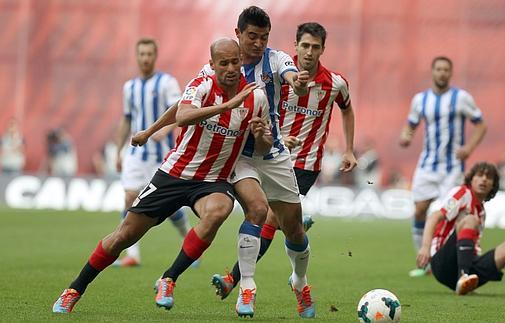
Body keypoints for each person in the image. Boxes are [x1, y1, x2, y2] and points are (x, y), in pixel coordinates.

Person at [52, 38, 271, 315]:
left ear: (241, 60)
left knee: (219, 210)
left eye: (235, 61)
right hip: (175, 173)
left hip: (213, 180)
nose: (230, 68)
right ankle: (74, 289)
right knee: (124, 236)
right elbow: (183, 115)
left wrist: (263, 137)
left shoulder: (256, 97)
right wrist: (225, 107)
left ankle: (168, 279)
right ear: (212, 64)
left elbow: (262, 147)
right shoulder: (202, 84)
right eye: (223, 63)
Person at [132, 7, 316, 318]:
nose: (258, 43)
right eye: (252, 37)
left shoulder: (277, 60)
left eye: (264, 37)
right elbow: (185, 104)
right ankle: (245, 288)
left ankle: (300, 282)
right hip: (235, 156)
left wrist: (297, 83)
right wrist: (153, 130)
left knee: (294, 229)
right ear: (238, 34)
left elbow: (291, 77)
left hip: (271, 152)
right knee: (257, 210)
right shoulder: (222, 66)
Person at [211, 22, 357, 302]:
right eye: (305, 45)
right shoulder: (281, 77)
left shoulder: (335, 83)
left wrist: (349, 149)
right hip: (273, 155)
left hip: (305, 164)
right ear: (295, 46)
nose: (310, 52)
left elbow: (347, 110)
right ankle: (296, 271)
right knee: (279, 221)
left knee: (269, 217)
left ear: (323, 50)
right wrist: (278, 137)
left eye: (316, 47)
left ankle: (234, 279)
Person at [399, 56, 487, 277]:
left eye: (446, 69)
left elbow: (481, 125)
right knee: (419, 210)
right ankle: (424, 260)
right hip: (427, 165)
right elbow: (410, 126)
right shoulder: (420, 100)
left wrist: (469, 148)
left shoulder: (461, 98)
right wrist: (405, 137)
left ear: (451, 72)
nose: (442, 73)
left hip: (452, 168)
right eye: (438, 69)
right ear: (432, 72)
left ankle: (454, 262)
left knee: (451, 215)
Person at [416, 162, 505, 297]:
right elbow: (434, 217)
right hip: (442, 264)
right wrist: (425, 247)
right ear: (471, 179)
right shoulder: (463, 193)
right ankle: (463, 276)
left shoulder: (482, 211)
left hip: (469, 266)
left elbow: (472, 244)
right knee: (470, 220)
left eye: (488, 177)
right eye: (479, 175)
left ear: (493, 185)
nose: (483, 180)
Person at [113, 38, 190, 267]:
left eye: (149, 54)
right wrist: (118, 152)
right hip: (136, 154)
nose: (145, 58)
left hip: (161, 156)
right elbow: (126, 120)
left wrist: (164, 129)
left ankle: (187, 238)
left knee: (168, 208)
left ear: (154, 56)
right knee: (129, 197)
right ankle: (132, 254)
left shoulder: (167, 83)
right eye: (141, 54)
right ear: (137, 57)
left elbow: (180, 112)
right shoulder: (129, 87)